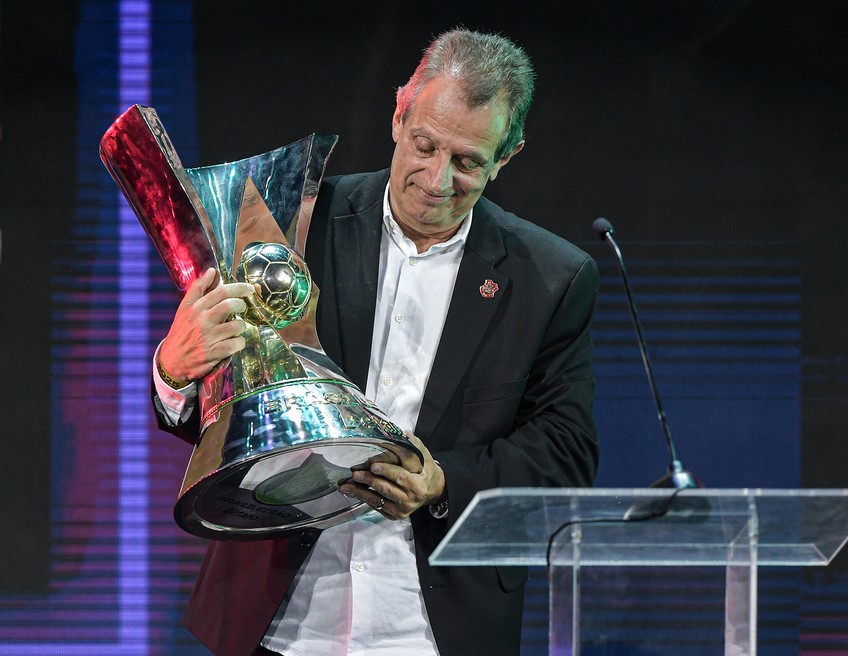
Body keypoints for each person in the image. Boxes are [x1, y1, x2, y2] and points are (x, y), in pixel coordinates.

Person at [152, 28, 600, 656]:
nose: (437, 179)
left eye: (468, 161)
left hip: (432, 629)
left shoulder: (551, 278)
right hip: (276, 623)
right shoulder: (293, 223)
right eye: (425, 146)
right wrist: (175, 372)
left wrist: (442, 483)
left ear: (508, 154)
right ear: (398, 115)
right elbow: (229, 411)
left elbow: (565, 453)